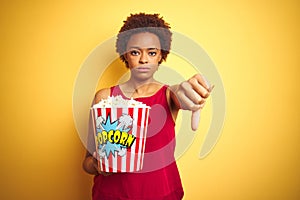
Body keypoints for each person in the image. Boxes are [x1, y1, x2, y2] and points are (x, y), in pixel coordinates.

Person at [82, 13, 213, 200]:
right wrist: (96, 165)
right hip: (111, 195)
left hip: (161, 194)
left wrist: (189, 90)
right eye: (135, 52)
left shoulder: (168, 95)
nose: (144, 60)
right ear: (125, 54)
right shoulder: (104, 98)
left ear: (161, 56)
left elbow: (180, 94)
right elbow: (86, 161)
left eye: (152, 52)